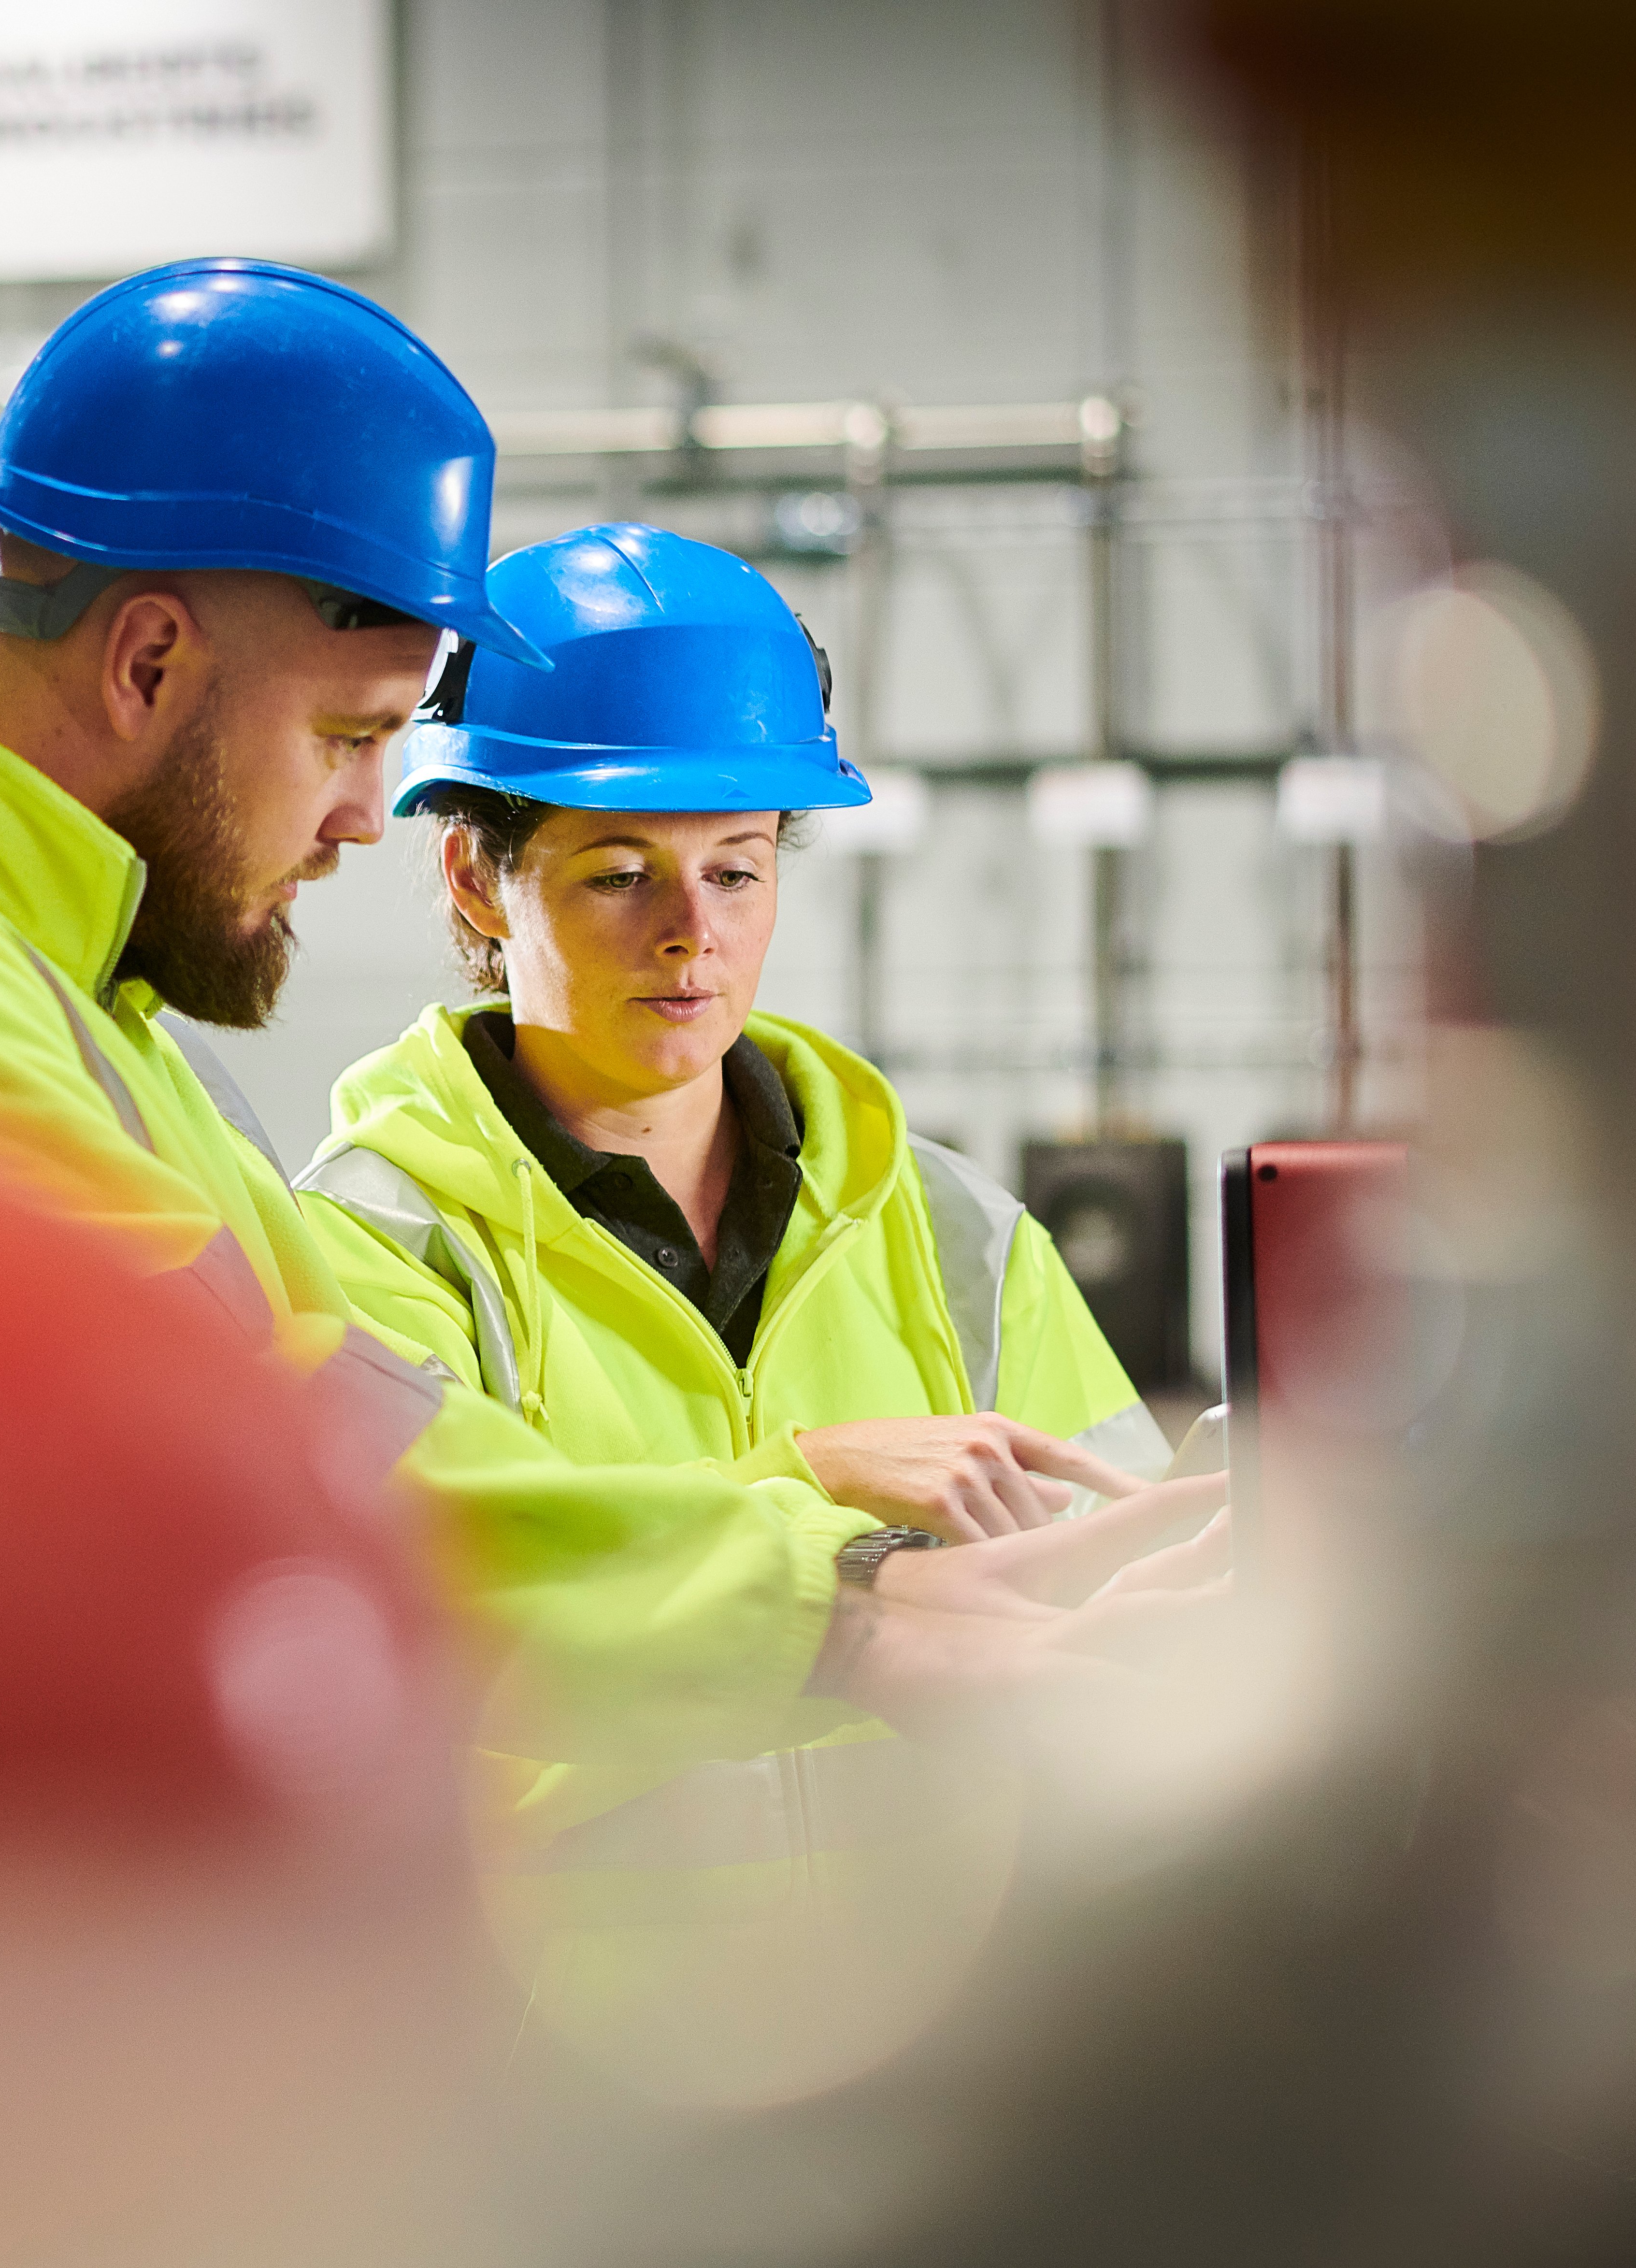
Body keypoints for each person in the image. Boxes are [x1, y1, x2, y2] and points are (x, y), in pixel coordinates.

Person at [0, 258, 1216, 1848]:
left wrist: (854, 1580)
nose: (369, 814)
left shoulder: (86, 1014)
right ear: (147, 660)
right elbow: (227, 1478)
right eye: (352, 737)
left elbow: (350, 1429)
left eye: (737, 864)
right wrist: (835, 1603)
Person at [295, 522, 1209, 2097]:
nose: (690, 934)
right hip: (561, 2118)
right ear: (473, 873)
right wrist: (807, 1487)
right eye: (616, 875)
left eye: (735, 869)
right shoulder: (373, 1250)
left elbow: (1135, 1598)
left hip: (945, 2086)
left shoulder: (950, 1232)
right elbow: (406, 1669)